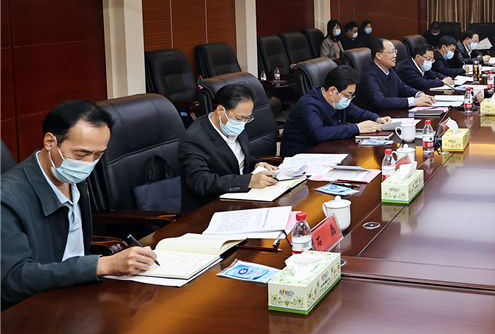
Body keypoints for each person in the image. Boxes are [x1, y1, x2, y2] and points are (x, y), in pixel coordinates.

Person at [1, 100, 157, 310]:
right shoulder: (7, 199)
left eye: (98, 155)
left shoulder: (71, 176)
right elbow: (13, 279)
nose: (88, 164)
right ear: (50, 142)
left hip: (76, 292)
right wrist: (101, 265)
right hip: (33, 308)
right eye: (81, 154)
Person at [177, 84, 278, 214]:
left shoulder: (235, 124)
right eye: (240, 118)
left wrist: (255, 164)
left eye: (247, 118)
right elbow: (201, 182)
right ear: (220, 110)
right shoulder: (194, 139)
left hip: (240, 200)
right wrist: (248, 181)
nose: (243, 123)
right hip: (210, 209)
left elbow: (234, 157)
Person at [280, 66, 391, 157]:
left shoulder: (338, 100)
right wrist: (357, 128)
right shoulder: (308, 105)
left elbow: (358, 113)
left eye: (351, 95)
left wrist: (377, 118)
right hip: (301, 158)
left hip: (326, 151)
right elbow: (319, 133)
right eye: (347, 95)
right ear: (332, 90)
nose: (349, 99)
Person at [356, 38, 435, 113]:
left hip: (391, 113)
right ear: (378, 55)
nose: (395, 55)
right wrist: (413, 101)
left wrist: (419, 94)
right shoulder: (368, 76)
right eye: (391, 52)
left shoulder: (389, 69)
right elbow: (381, 101)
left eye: (395, 52)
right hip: (376, 118)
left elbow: (402, 88)